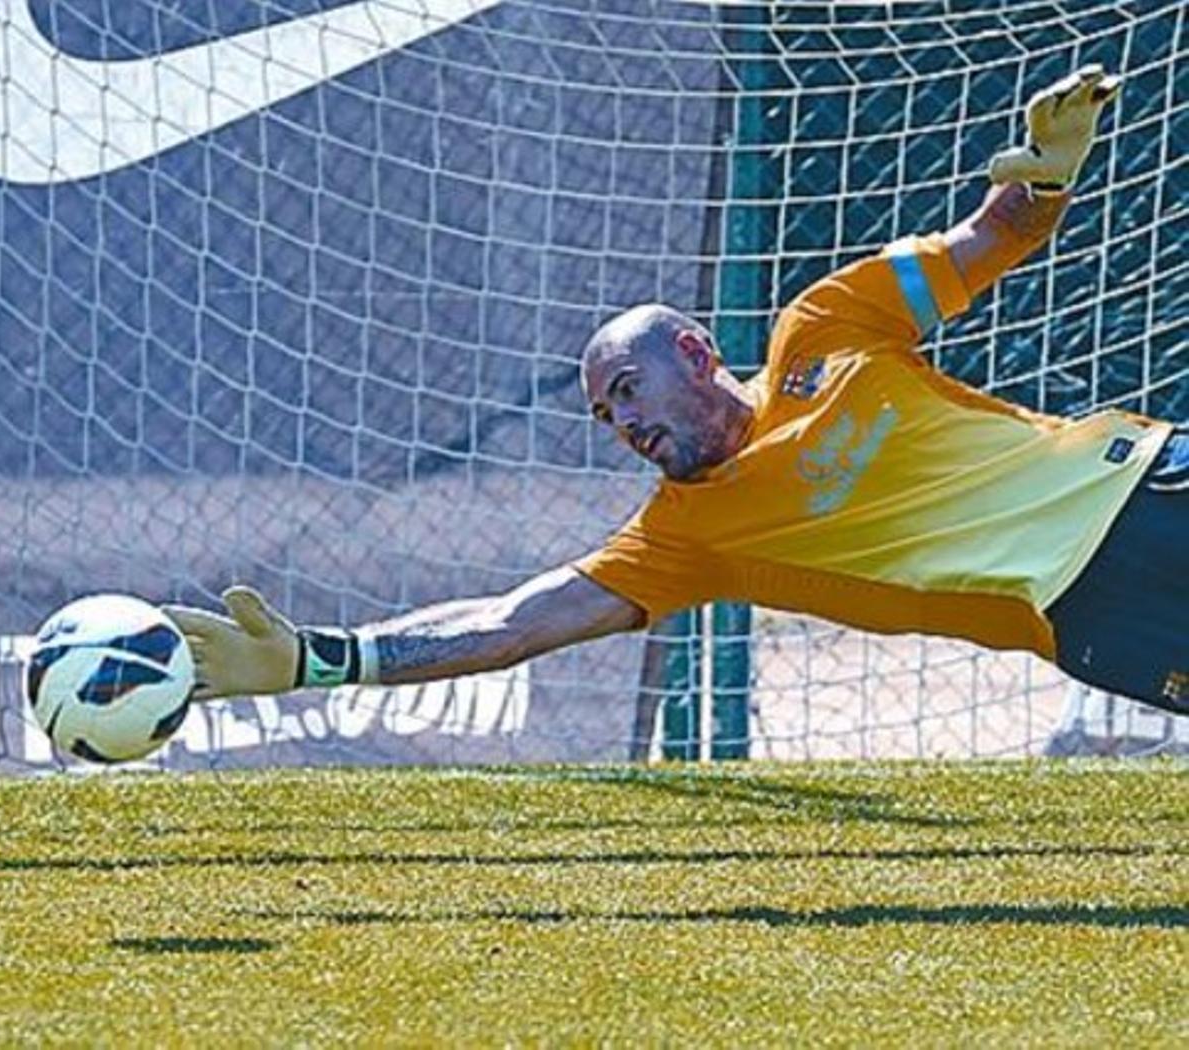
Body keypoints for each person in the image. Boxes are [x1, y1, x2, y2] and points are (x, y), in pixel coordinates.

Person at [166, 66, 1188, 718]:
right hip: (1093, 618)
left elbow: (996, 236)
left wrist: (1043, 179)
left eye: (626, 390)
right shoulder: (684, 539)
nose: (623, 426)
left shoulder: (827, 326)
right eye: (606, 418)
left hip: (1145, 484)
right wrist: (323, 660)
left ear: (695, 353)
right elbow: (514, 620)